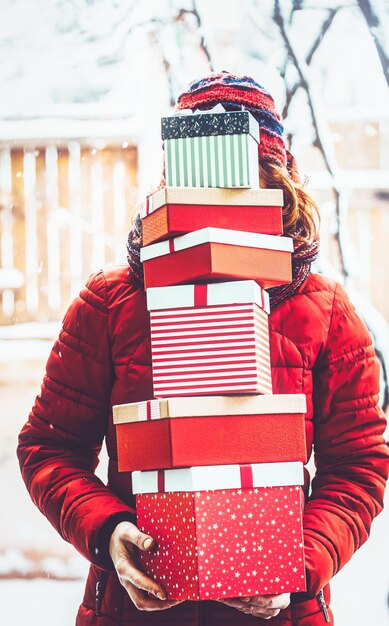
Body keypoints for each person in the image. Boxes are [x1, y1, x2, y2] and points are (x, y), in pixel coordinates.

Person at [17, 72, 389, 625]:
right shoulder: (110, 304)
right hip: (132, 612)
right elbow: (49, 449)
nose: (221, 205)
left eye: (246, 183)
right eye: (204, 184)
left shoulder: (327, 312)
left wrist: (299, 563)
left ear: (278, 188)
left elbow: (358, 468)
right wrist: (110, 533)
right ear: (172, 186)